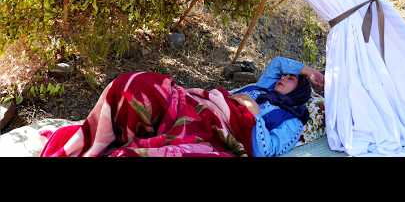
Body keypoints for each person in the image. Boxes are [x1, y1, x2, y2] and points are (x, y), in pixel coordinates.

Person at [39, 56, 324, 158]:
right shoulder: (262, 86)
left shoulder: (292, 119)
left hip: (219, 130)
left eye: (291, 80)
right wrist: (308, 71)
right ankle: (99, 140)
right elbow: (277, 63)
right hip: (200, 103)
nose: (284, 78)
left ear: (299, 93)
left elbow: (266, 151)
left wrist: (254, 112)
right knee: (137, 86)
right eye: (286, 76)